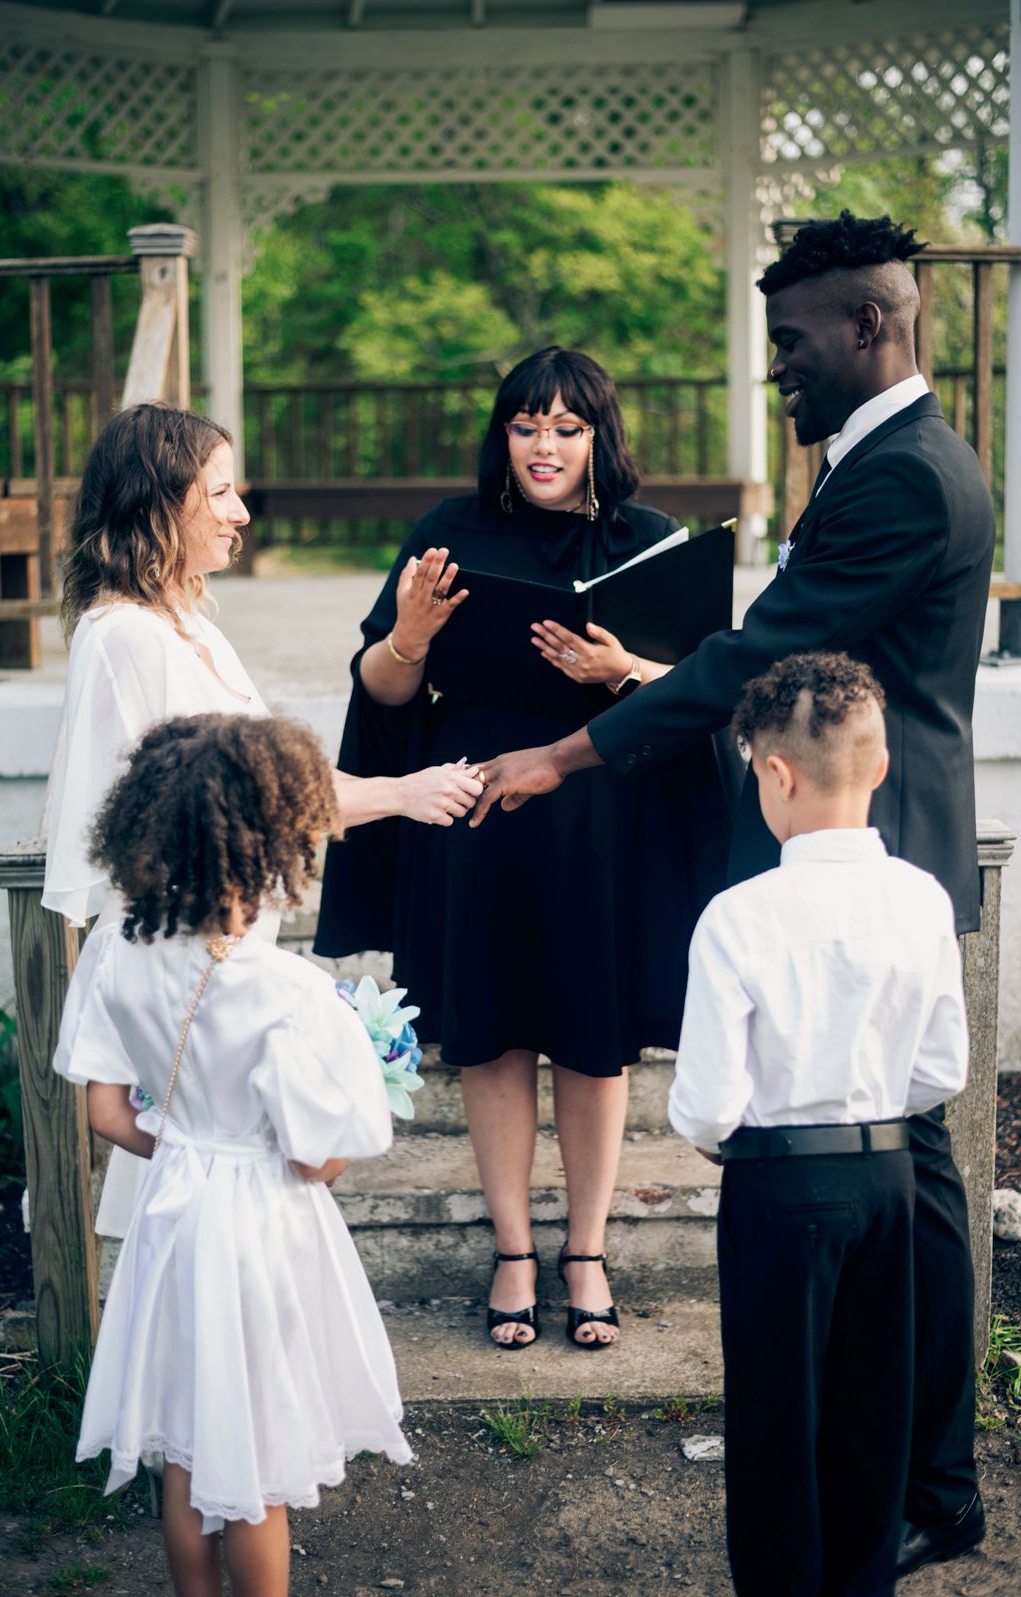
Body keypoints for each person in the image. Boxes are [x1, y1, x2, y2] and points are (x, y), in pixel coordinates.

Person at [470, 214, 992, 1568]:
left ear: (869, 326)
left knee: (919, 1194)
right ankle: (918, 1479)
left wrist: (567, 751)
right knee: (918, 1187)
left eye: (793, 341)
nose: (780, 370)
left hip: (878, 847)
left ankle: (925, 1483)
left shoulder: (903, 480)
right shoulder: (903, 458)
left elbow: (765, 649)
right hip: (880, 838)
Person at [314, 346, 730, 1349]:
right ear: (502, 436)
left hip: (597, 806)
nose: (544, 445)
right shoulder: (446, 533)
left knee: (592, 1039)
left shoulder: (650, 539)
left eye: (566, 427)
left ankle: (584, 1249)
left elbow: (704, 691)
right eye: (526, 425)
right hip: (475, 805)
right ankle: (511, 1249)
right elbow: (383, 695)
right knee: (489, 1033)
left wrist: (621, 664)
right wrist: (406, 637)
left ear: (600, 438)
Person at [43, 404, 481, 1237]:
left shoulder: (192, 626)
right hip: (187, 947)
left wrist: (411, 786)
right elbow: (210, 800)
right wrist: (401, 792)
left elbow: (270, 781)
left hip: (230, 933)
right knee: (207, 1189)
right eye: (220, 491)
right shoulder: (124, 638)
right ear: (157, 504)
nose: (241, 511)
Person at [53, 712, 412, 1597]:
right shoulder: (290, 990)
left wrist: (186, 1144)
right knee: (252, 1456)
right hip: (262, 1228)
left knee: (186, 1439)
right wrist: (247, 1152)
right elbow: (323, 1157)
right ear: (277, 843)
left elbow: (104, 1109)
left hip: (171, 1209)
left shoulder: (115, 949)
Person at [669, 651, 969, 1597]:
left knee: (775, 1416)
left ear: (775, 774)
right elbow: (942, 1071)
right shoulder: (923, 900)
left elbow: (706, 1105)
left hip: (776, 1185)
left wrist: (743, 1134)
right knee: (873, 1409)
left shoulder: (736, 916)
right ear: (879, 768)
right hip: (891, 1177)